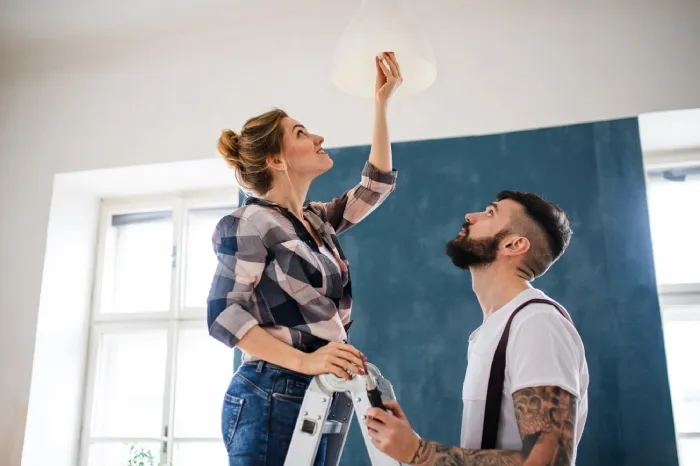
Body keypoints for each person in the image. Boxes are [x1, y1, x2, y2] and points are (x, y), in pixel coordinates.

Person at [206, 52, 402, 466]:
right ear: (276, 160)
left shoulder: (314, 220)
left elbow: (375, 186)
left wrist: (381, 104)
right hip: (273, 390)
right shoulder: (248, 223)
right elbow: (224, 314)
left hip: (322, 389)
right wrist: (306, 361)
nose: (318, 138)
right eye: (301, 133)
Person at [365, 191, 589, 466]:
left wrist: (420, 453)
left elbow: (550, 462)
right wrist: (409, 446)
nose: (470, 216)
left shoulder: (537, 323)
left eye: (490, 213)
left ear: (513, 244)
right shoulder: (494, 329)